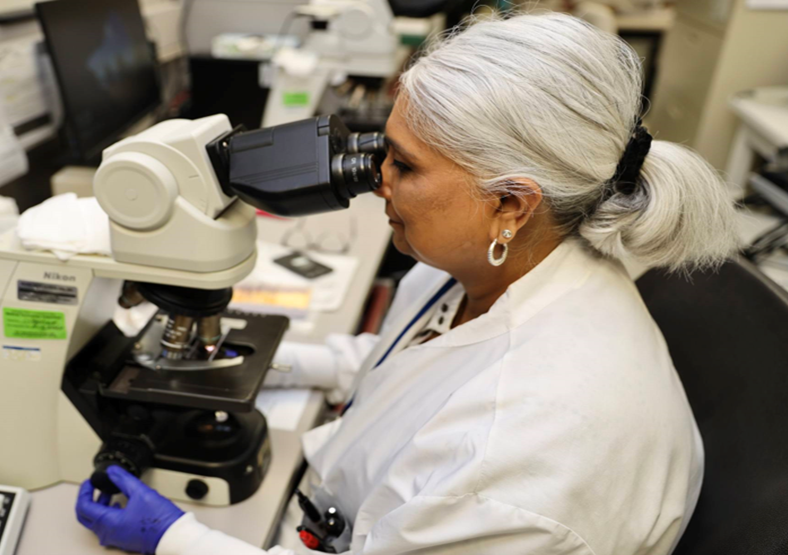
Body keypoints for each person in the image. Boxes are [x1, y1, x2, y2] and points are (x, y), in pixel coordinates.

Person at [76, 12, 739, 555]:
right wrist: (236, 358)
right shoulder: (494, 262)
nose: (375, 177)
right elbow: (407, 367)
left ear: (510, 203)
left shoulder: (521, 456)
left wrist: (173, 538)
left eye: (404, 164)